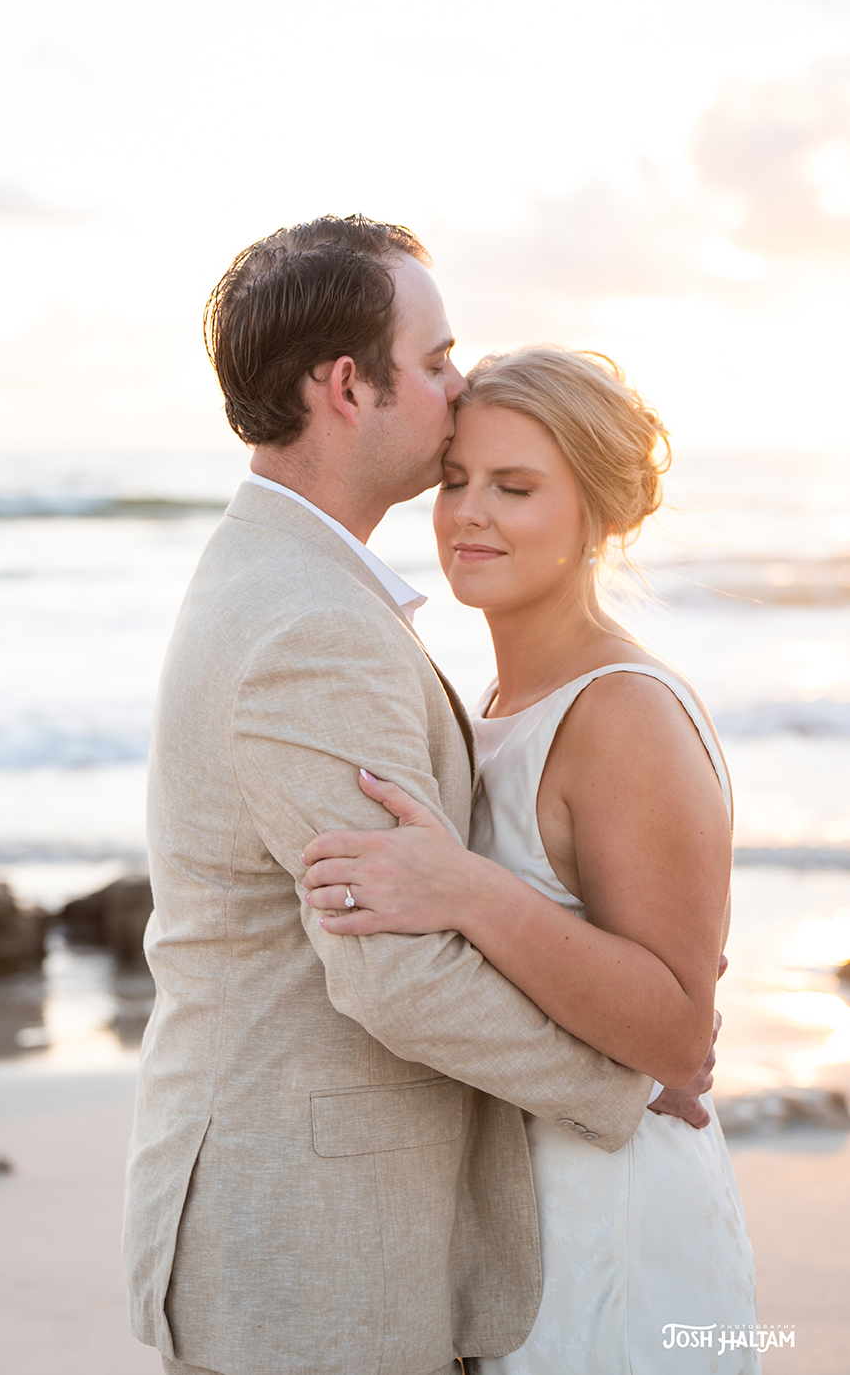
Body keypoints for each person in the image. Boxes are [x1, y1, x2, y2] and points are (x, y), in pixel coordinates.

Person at [121, 216, 713, 1375]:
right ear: (348, 386)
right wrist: (624, 1079)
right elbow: (394, 971)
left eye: (513, 484)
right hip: (312, 1247)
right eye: (436, 360)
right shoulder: (312, 625)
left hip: (320, 1223)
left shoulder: (284, 578)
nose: (457, 385)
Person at [301, 345, 758, 1373]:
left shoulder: (623, 712)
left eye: (514, 487)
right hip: (517, 1224)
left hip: (615, 1226)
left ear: (600, 516)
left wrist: (470, 890)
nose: (469, 514)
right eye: (454, 480)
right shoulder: (493, 704)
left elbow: (677, 1033)